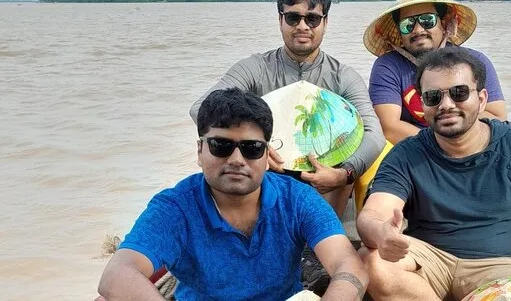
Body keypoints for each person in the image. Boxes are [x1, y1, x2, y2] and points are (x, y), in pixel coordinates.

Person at [97, 88, 368, 301]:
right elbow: (118, 274)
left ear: (267, 155)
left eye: (251, 148)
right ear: (200, 151)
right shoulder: (175, 208)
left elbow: (348, 265)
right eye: (221, 145)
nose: (237, 159)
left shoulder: (296, 199)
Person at [356, 47, 511, 301]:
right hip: (429, 260)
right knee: (371, 261)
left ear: (482, 99)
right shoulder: (406, 154)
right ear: (423, 105)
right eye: (433, 97)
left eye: (459, 93)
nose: (446, 105)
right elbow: (373, 214)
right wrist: (382, 234)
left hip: (499, 267)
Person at [190, 0, 386, 219]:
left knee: (349, 152)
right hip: (266, 171)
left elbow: (374, 133)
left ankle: (323, 233)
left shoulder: (343, 77)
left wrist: (345, 173)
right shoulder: (255, 68)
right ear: (280, 20)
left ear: (325, 22)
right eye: (293, 17)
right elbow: (200, 108)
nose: (303, 26)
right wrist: (258, 146)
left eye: (312, 19)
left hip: (325, 180)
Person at [363, 0, 507, 146]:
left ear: (444, 23)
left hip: (470, 146)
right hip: (416, 149)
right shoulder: (388, 67)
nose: (418, 30)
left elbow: (499, 119)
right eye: (407, 24)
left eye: (427, 20)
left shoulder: (475, 61)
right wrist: (442, 147)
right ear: (399, 32)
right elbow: (389, 128)